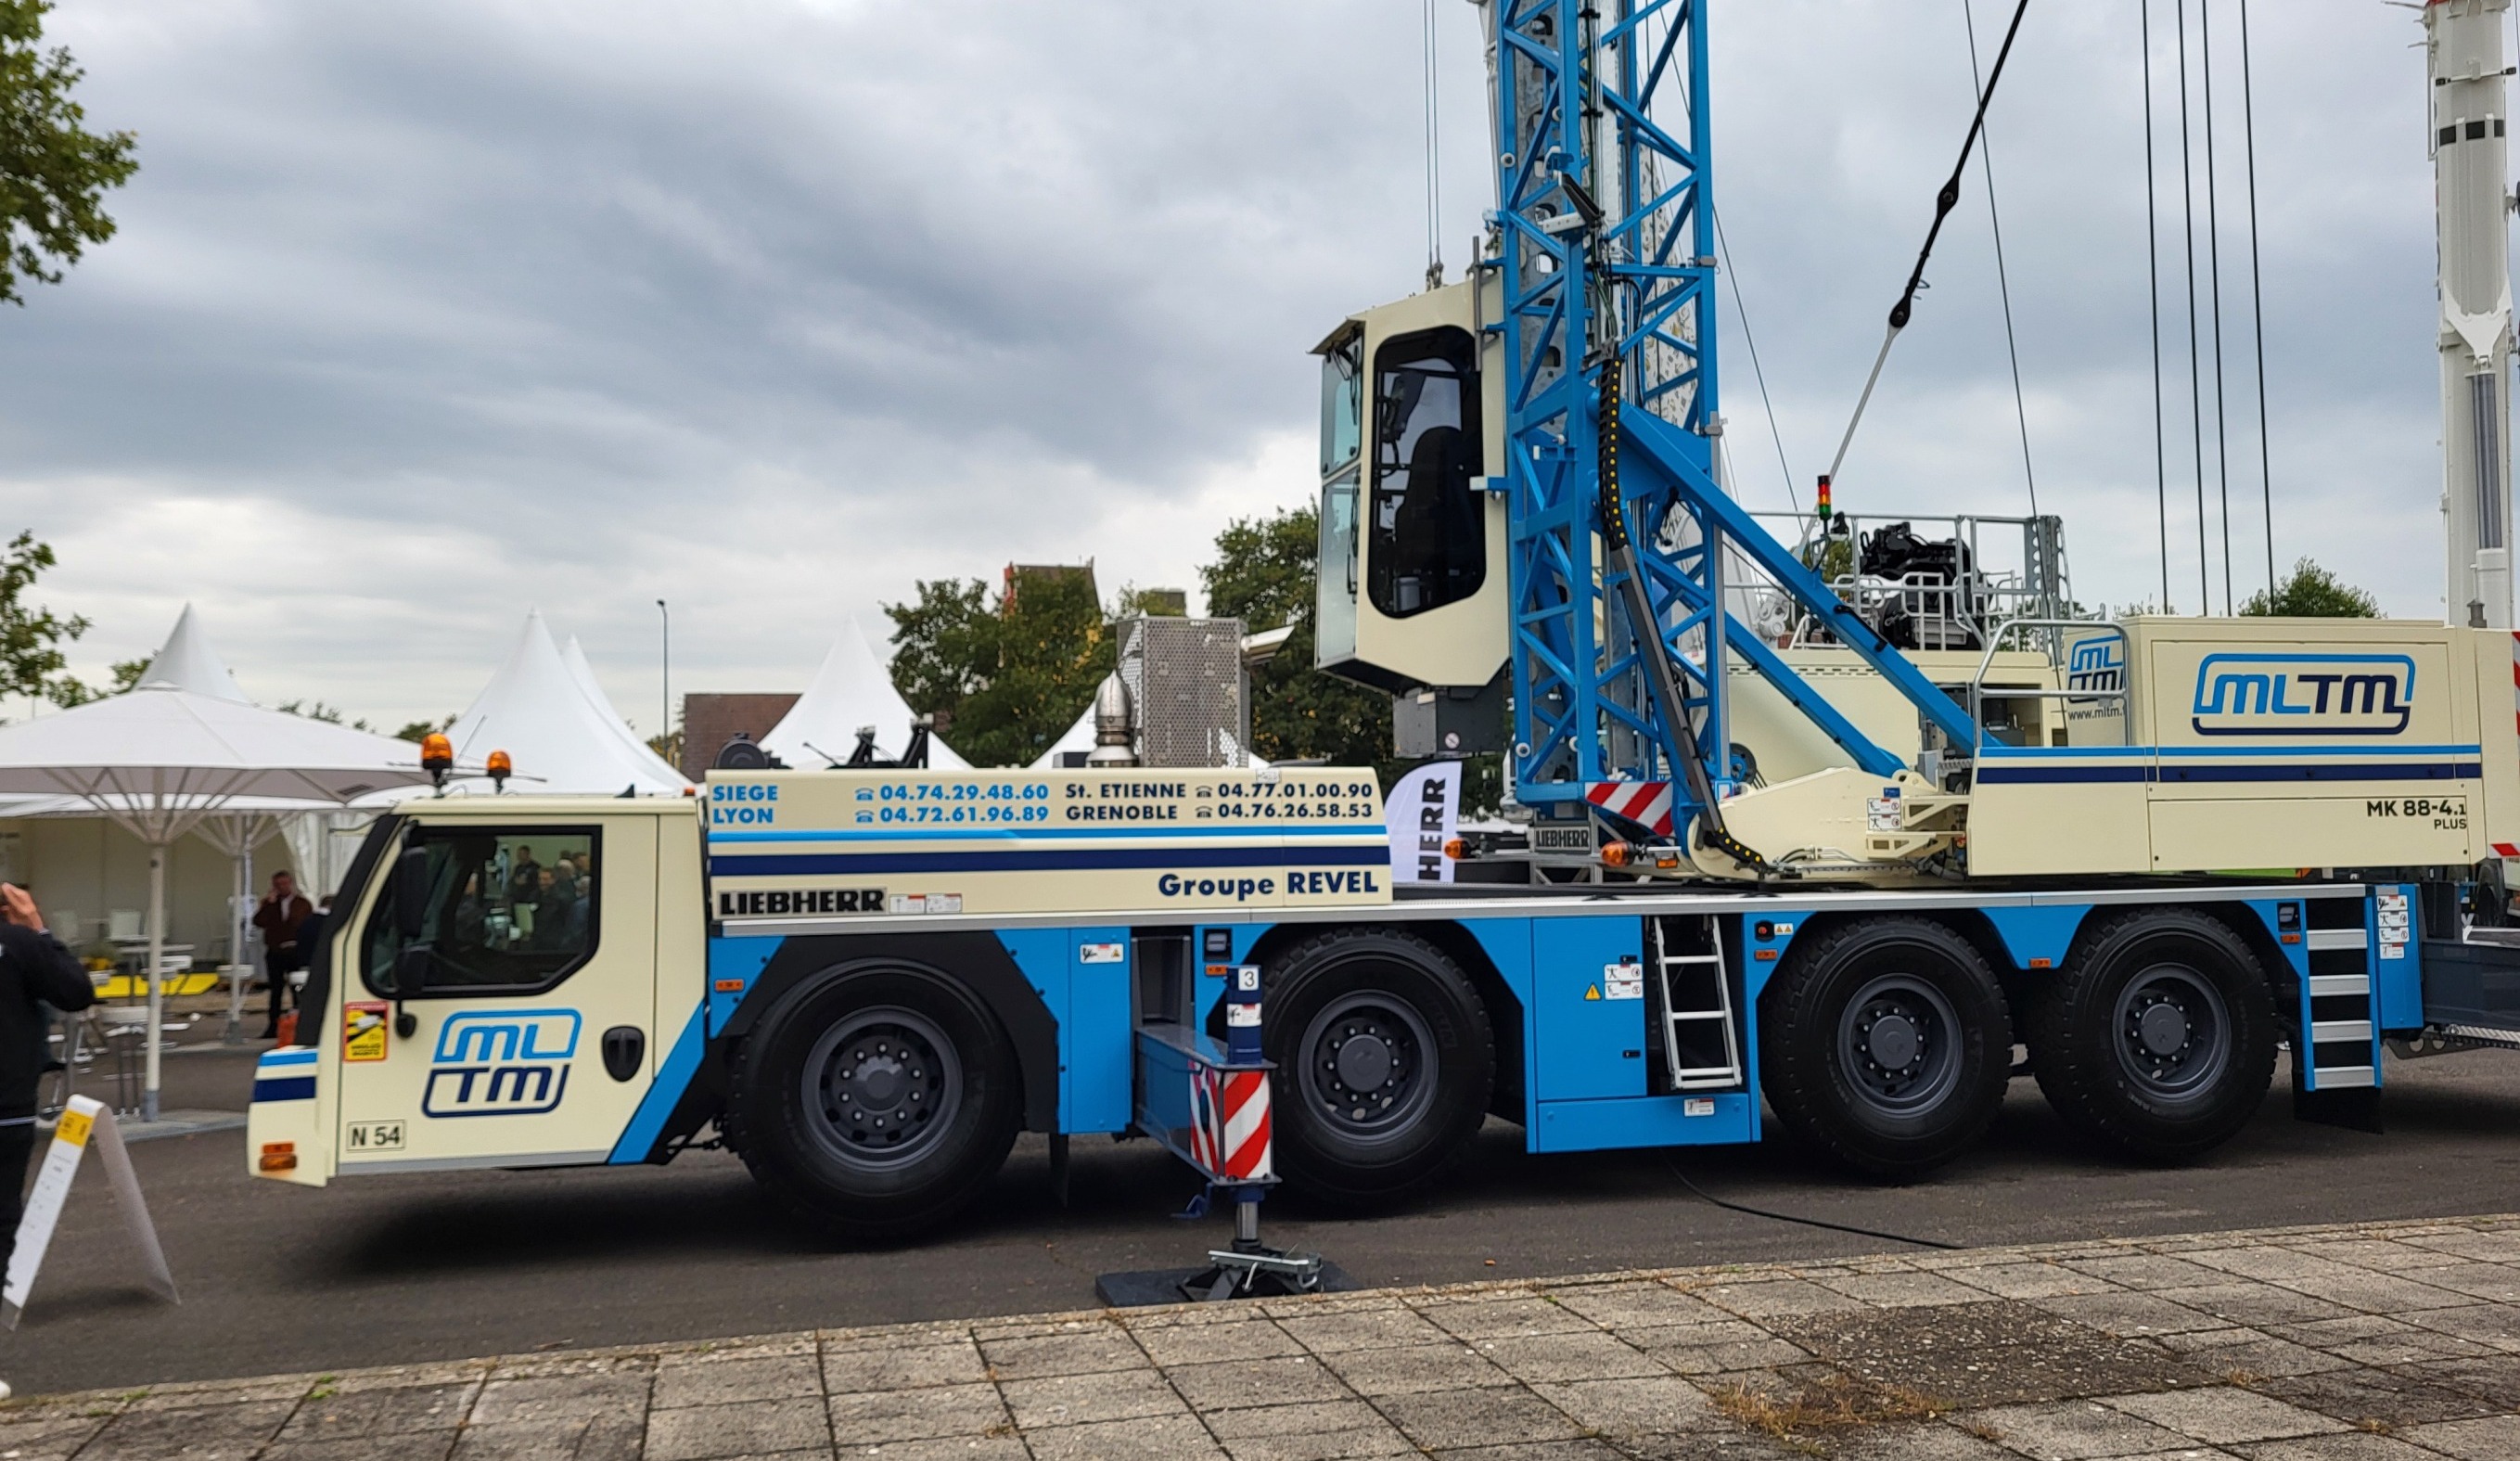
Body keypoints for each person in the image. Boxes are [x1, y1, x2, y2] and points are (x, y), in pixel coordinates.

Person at [0, 881, 94, 1397]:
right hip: (7, 1107)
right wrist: (37, 925)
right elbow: (76, 992)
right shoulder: (20, 946)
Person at [251, 871, 313, 1041]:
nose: (282, 888)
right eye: (278, 885)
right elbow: (258, 921)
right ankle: (273, 1026)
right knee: (276, 990)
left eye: (285, 884)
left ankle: (298, 1023)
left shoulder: (301, 903)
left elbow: (304, 924)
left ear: (290, 884)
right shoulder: (270, 904)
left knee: (297, 989)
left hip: (295, 951)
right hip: (275, 951)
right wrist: (270, 904)